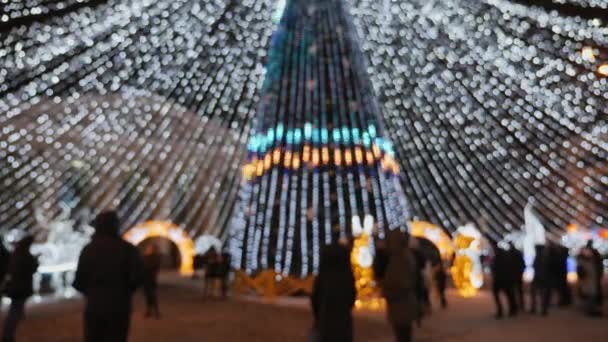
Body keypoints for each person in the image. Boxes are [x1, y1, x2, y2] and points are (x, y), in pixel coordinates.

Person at [73, 210, 144, 342]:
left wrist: (93, 292)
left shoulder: (88, 249)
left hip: (95, 306)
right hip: (119, 306)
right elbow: (137, 278)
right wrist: (124, 291)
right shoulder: (128, 249)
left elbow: (79, 281)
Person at [310, 232, 356, 342]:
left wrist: (317, 315)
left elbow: (315, 298)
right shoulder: (346, 273)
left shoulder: (324, 273)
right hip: (343, 320)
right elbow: (352, 296)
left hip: (325, 319)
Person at [379, 229, 418, 342]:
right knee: (403, 333)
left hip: (401, 303)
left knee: (403, 334)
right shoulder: (401, 256)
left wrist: (387, 291)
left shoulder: (400, 258)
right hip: (402, 304)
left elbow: (402, 283)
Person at [1, 235, 39, 342]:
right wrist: (35, 260)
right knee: (15, 312)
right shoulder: (24, 255)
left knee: (15, 310)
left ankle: (8, 334)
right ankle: (7, 336)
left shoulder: (16, 254)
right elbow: (31, 268)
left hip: (16, 287)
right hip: (20, 288)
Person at [491, 242, 517, 319]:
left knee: (506, 294)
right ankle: (511, 310)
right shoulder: (505, 255)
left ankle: (503, 310)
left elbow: (498, 268)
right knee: (509, 295)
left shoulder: (499, 256)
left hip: (502, 279)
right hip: (506, 279)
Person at [577, 242, 602, 317]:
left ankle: (591, 309)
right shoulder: (583, 261)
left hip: (590, 280)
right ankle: (591, 310)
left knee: (591, 295)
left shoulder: (589, 261)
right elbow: (582, 273)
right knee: (590, 295)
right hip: (588, 281)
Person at [529, 245, 551, 316]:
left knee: (538, 294)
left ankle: (539, 308)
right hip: (542, 278)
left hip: (540, 278)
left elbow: (538, 267)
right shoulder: (544, 257)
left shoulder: (539, 257)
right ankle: (542, 309)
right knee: (540, 294)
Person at [142, 244, 161, 318]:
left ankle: (155, 311)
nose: (148, 249)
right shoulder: (146, 257)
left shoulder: (154, 257)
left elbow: (153, 267)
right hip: (147, 278)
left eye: (149, 248)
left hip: (150, 278)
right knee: (148, 295)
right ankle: (149, 310)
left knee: (152, 295)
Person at [585, 240, 603, 306]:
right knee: (592, 289)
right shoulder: (591, 251)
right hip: (591, 274)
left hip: (594, 273)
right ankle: (593, 304)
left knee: (594, 289)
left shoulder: (593, 252)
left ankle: (594, 304)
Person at [508, 242, 526, 311]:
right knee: (519, 291)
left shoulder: (510, 253)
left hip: (514, 275)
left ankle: (517, 306)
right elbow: (523, 264)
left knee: (514, 291)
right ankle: (521, 305)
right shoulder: (518, 253)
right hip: (517, 274)